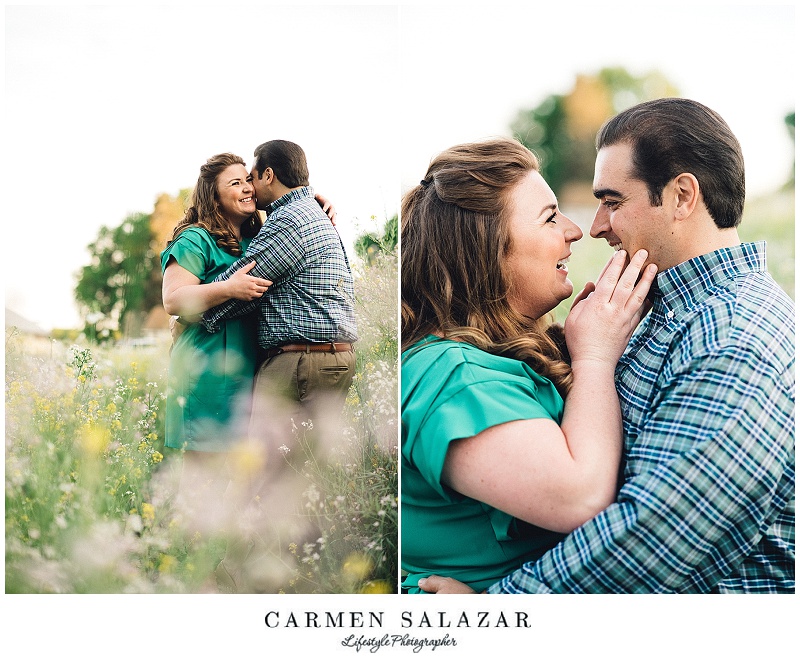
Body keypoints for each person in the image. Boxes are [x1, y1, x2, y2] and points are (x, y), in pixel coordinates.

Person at [420, 98, 795, 594]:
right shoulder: (652, 309)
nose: (595, 227)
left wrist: (500, 611)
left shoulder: (736, 338)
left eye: (613, 202)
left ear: (682, 196)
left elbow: (656, 540)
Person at [400, 137, 657, 592]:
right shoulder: (454, 375)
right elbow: (579, 497)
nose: (575, 231)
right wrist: (595, 356)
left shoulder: (497, 354)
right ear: (486, 249)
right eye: (549, 217)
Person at [201, 139, 358, 482]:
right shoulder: (311, 211)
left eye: (252, 178)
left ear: (268, 175)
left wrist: (193, 312)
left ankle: (274, 537)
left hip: (301, 361)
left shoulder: (289, 220)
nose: (250, 189)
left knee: (267, 477)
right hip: (327, 358)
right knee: (305, 476)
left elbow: (245, 283)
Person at [161, 152, 272, 517]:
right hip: (205, 371)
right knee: (202, 484)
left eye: (247, 180)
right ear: (214, 196)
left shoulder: (257, 237)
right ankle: (182, 560)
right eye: (235, 183)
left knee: (237, 486)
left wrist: (317, 200)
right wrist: (228, 288)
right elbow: (173, 300)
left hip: (245, 372)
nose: (246, 188)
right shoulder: (197, 239)